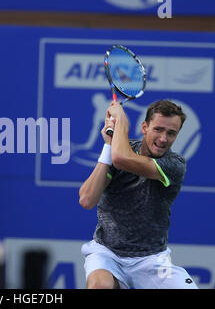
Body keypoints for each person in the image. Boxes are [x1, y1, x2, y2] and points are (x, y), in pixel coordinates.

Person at [78, 99, 198, 289]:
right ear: (144, 127)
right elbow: (86, 199)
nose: (163, 138)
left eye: (171, 133)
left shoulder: (175, 165)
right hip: (107, 254)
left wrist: (120, 121)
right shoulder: (117, 152)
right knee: (99, 286)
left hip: (152, 261)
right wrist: (108, 147)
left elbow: (122, 159)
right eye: (158, 129)